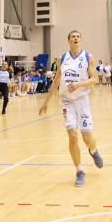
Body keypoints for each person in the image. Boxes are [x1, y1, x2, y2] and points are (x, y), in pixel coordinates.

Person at [39, 30, 103, 186]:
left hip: (82, 100)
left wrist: (79, 84)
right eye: (73, 36)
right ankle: (79, 171)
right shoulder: (62, 58)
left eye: (78, 36)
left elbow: (94, 79)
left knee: (87, 139)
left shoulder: (88, 57)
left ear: (81, 40)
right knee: (73, 136)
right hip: (66, 101)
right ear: (68, 40)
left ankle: (93, 150)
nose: (76, 38)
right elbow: (56, 81)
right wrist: (46, 101)